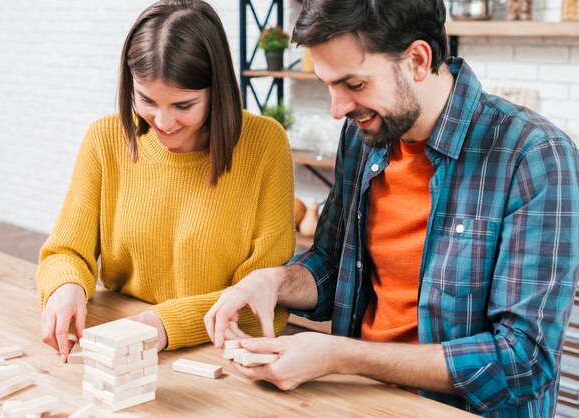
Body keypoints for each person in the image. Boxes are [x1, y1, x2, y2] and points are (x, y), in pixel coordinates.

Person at [204, 1, 579, 416]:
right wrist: (273, 282)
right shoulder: (364, 135)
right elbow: (332, 264)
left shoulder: (534, 156)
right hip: (357, 400)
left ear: (418, 60)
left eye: (355, 85)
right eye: (328, 84)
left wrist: (342, 355)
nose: (338, 108)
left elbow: (523, 361)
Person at [37, 0, 295, 362]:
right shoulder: (105, 139)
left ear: (216, 90)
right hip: (120, 338)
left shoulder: (265, 144)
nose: (163, 121)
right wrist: (66, 285)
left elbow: (260, 301)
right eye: (146, 100)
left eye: (184, 105)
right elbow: (65, 251)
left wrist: (162, 324)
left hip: (217, 352)